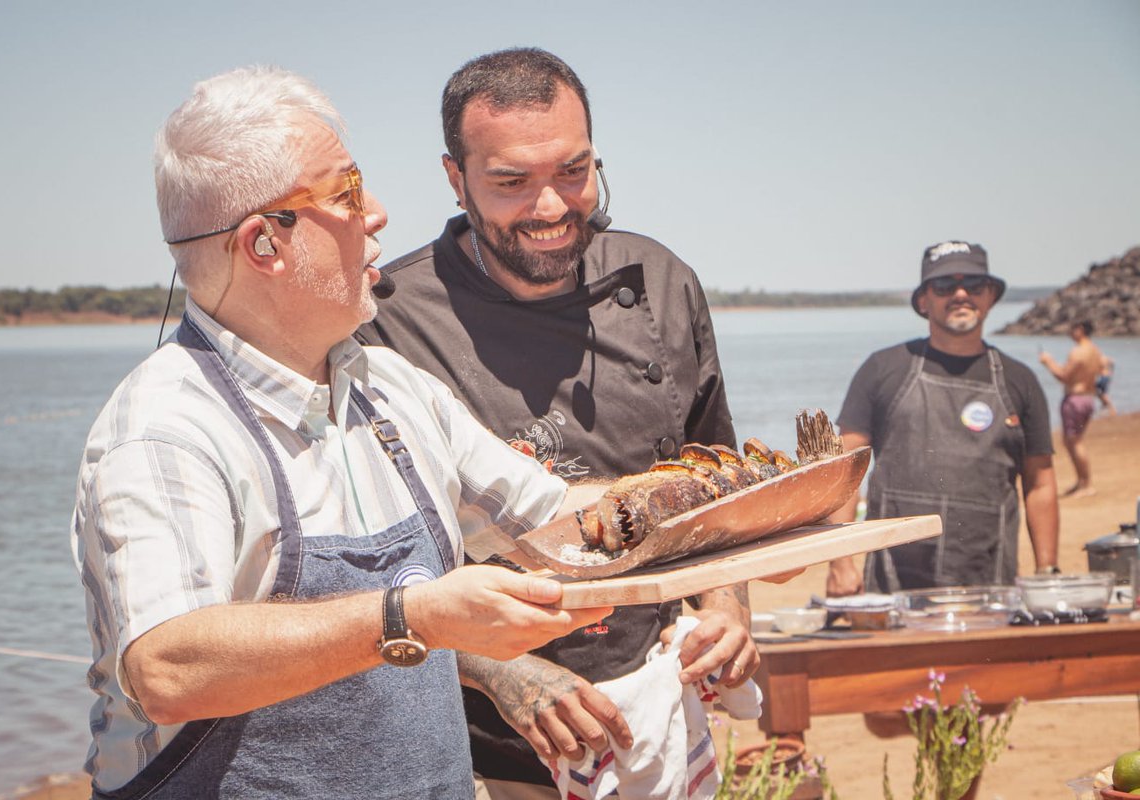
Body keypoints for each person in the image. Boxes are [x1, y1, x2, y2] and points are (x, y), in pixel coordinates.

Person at [70, 66, 618, 800]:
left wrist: (733, 501)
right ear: (266, 245)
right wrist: (408, 614)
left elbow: (560, 517)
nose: (379, 215)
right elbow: (168, 668)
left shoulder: (391, 387)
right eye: (348, 193)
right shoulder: (164, 427)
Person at [356, 48, 756, 799]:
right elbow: (370, 566)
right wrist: (497, 667)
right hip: (476, 744)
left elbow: (718, 483)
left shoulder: (662, 281)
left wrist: (727, 608)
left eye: (573, 172)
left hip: (653, 699)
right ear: (456, 178)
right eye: (511, 182)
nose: (550, 207)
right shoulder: (388, 320)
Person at [827, 240, 1060, 597]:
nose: (961, 294)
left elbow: (1041, 483)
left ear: (991, 297)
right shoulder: (881, 369)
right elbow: (844, 468)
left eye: (975, 285)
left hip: (988, 574)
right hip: (894, 578)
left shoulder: (1020, 381)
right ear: (924, 300)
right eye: (945, 286)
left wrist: (1047, 571)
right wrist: (841, 562)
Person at [1039, 320, 1112, 497]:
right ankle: (1082, 481)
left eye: (1072, 329)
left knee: (1074, 441)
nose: (1069, 332)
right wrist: (1104, 398)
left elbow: (1063, 376)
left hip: (1075, 399)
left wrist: (1048, 362)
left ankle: (1086, 484)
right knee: (1074, 441)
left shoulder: (1078, 352)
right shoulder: (1096, 351)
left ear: (1080, 330)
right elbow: (1104, 374)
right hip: (1088, 399)